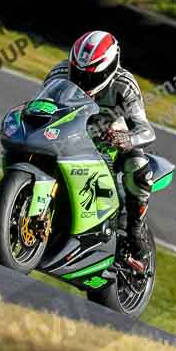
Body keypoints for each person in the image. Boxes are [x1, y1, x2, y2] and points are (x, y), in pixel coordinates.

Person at [43, 30, 155, 271]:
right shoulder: (59, 73)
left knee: (137, 166)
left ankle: (136, 232)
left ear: (110, 68)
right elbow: (44, 105)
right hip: (72, 133)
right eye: (78, 73)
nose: (83, 81)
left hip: (112, 141)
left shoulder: (125, 85)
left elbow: (147, 131)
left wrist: (127, 138)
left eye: (91, 76)